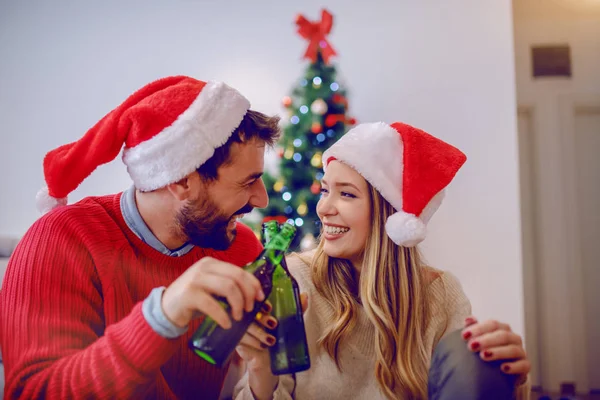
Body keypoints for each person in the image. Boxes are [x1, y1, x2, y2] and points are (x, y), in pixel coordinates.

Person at [0, 75, 284, 399]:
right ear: (181, 181)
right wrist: (161, 317)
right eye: (248, 182)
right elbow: (32, 393)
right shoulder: (61, 240)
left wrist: (263, 372)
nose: (262, 199)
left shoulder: (243, 247)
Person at [233, 121, 531, 399]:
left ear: (390, 216)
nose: (324, 208)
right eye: (325, 190)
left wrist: (507, 377)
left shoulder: (441, 295)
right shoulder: (294, 280)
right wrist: (260, 369)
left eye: (347, 195)